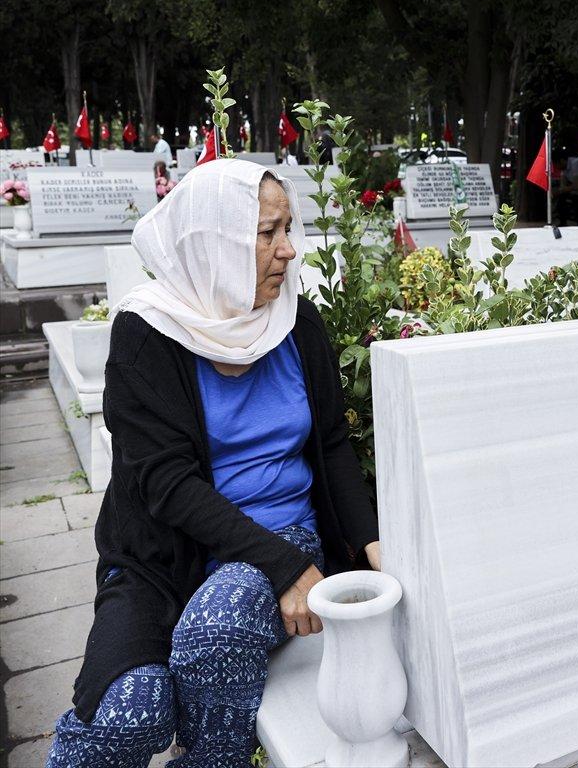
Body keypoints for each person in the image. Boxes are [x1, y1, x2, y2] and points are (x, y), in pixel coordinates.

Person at [46, 159, 382, 767]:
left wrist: (372, 546)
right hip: (160, 559)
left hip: (283, 534)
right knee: (129, 711)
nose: (288, 250)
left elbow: (332, 444)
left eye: (287, 229)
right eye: (267, 233)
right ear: (214, 243)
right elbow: (167, 485)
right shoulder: (147, 334)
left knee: (217, 629)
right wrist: (284, 570)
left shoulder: (296, 321)